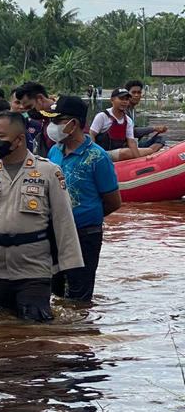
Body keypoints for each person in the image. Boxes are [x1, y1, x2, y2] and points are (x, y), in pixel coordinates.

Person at [0, 111, 83, 322]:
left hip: (33, 268)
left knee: (34, 329)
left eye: (1, 137)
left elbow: (64, 221)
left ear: (19, 139)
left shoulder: (48, 172)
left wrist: (70, 266)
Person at [43, 95, 122, 302]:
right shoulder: (54, 151)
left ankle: (80, 332)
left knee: (80, 295)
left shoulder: (97, 157)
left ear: (73, 123)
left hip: (85, 234)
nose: (51, 126)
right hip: (55, 231)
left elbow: (113, 201)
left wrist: (86, 215)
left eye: (56, 121)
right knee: (55, 291)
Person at [89, 87, 161, 161]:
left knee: (148, 150)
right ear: (112, 100)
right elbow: (91, 134)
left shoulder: (128, 120)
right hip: (103, 153)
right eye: (121, 99)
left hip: (119, 151)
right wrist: (94, 154)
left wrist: (138, 160)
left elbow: (131, 142)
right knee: (127, 152)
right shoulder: (102, 116)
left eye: (126, 99)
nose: (124, 102)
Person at [124, 79, 168, 147]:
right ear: (127, 94)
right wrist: (154, 128)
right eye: (133, 92)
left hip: (133, 144)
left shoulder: (132, 109)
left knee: (160, 138)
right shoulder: (124, 110)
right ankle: (148, 154)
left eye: (139, 93)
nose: (136, 95)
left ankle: (148, 154)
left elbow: (135, 129)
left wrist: (151, 131)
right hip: (125, 146)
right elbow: (132, 132)